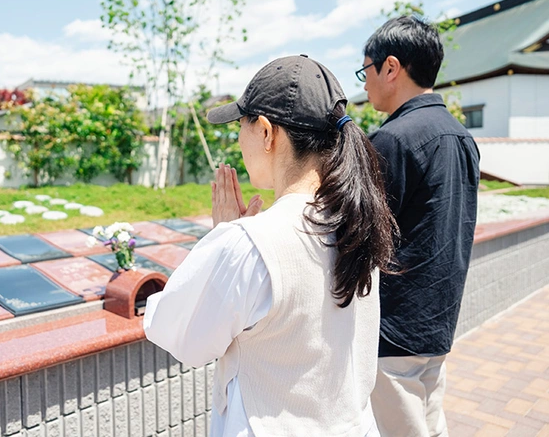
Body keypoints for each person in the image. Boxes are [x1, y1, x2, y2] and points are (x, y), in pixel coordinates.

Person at [143, 55, 399, 436]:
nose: (238, 140)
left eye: (241, 127)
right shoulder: (357, 224)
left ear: (266, 132)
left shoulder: (250, 244)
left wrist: (223, 238)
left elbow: (176, 332)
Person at [358, 16, 480, 437]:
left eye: (366, 70)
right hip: (438, 320)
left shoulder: (392, 139)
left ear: (391, 67)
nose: (365, 83)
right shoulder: (461, 136)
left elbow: (358, 236)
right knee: (430, 423)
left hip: (394, 330)